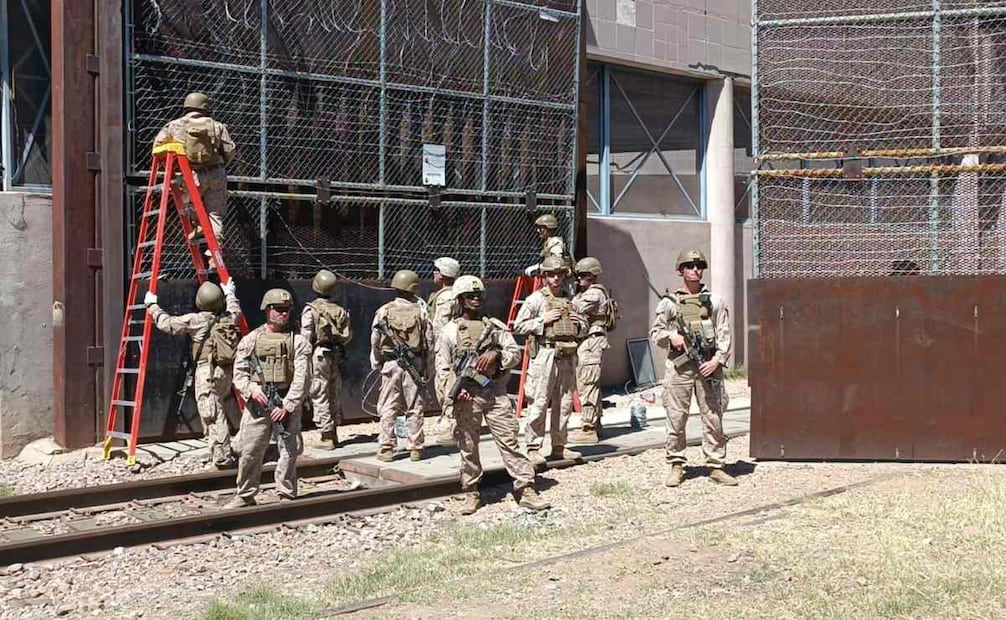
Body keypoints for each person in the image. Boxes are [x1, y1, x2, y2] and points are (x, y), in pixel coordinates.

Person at [435, 275, 551, 514]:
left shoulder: (495, 328)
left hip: (495, 392)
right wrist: (453, 393)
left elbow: (514, 353)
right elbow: (443, 368)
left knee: (509, 441)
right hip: (467, 395)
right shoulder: (449, 331)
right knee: (468, 445)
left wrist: (497, 355)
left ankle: (525, 488)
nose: (476, 300)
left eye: (479, 295)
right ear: (460, 300)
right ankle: (470, 490)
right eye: (470, 296)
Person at [649, 249, 736, 487]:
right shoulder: (669, 303)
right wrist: (672, 337)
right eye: (689, 266)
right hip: (680, 367)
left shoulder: (715, 301)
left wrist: (717, 360)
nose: (695, 270)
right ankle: (676, 464)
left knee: (713, 416)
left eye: (699, 266)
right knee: (676, 417)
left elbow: (724, 333)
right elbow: (656, 333)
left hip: (708, 365)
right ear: (680, 271)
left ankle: (716, 465)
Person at [224, 288, 312, 508]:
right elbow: (239, 373)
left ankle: (286, 493)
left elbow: (302, 377)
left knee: (288, 450)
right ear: (267, 309)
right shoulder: (251, 339)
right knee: (250, 450)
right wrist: (251, 390)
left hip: (285, 400)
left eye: (287, 310)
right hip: (258, 403)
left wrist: (288, 405)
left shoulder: (298, 342)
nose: (283, 314)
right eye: (279, 309)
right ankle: (245, 494)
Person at [144, 279, 241, 469]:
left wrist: (152, 306)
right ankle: (218, 449)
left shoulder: (197, 320)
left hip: (207, 372)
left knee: (212, 414)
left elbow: (168, 324)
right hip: (226, 372)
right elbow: (234, 308)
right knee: (216, 408)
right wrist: (230, 293)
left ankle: (223, 457)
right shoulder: (229, 317)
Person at [514, 255, 586, 467]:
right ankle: (533, 447)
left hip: (567, 356)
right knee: (539, 401)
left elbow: (583, 328)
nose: (556, 278)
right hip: (544, 354)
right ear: (545, 276)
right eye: (552, 274)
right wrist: (542, 321)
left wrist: (579, 324)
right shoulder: (535, 300)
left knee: (564, 403)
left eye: (560, 274)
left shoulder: (570, 300)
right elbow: (519, 325)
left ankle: (559, 446)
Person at [152, 92, 236, 247]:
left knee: (187, 201)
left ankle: (198, 223)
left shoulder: (174, 125)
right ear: (205, 107)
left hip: (191, 174)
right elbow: (230, 150)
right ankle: (214, 251)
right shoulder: (217, 126)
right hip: (216, 173)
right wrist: (221, 164)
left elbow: (157, 146)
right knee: (215, 213)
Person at [371, 270, 434, 462]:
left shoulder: (384, 310)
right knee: (415, 406)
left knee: (388, 405)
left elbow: (375, 340)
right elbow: (429, 342)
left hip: (391, 364)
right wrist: (428, 367)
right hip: (415, 363)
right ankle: (415, 448)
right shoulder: (421, 311)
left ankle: (386, 448)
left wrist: (377, 361)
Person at [302, 269, 352, 450]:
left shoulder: (311, 310)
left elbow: (305, 339)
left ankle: (326, 436)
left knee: (320, 393)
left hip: (319, 356)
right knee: (334, 393)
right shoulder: (340, 310)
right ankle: (334, 431)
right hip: (336, 355)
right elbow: (348, 336)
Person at [569, 257, 612, 444]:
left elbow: (573, 308)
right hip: (588, 342)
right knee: (592, 385)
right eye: (578, 275)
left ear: (593, 275)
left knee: (587, 384)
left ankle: (589, 428)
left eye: (583, 275)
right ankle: (596, 424)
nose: (579, 278)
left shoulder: (594, 293)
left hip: (591, 343)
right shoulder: (587, 292)